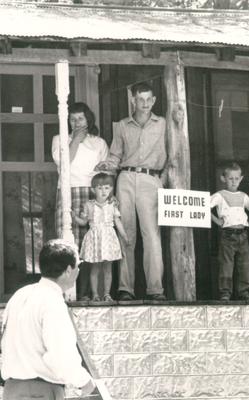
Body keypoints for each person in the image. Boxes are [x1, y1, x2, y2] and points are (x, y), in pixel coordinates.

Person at [95, 82, 167, 301]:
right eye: (140, 99)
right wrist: (106, 165)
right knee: (126, 234)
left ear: (153, 100)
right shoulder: (123, 126)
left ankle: (156, 289)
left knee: (152, 235)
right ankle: (126, 288)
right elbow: (116, 155)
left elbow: (173, 155)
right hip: (125, 178)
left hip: (150, 179)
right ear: (133, 101)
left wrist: (162, 182)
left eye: (148, 99)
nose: (144, 104)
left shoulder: (163, 124)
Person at [1, 239, 95, 399]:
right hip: (40, 392)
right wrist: (84, 381)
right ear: (68, 270)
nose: (78, 271)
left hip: (11, 390)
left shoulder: (19, 295)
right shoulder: (52, 302)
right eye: (77, 266)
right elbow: (60, 353)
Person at [52, 102, 108, 300]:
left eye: (80, 119)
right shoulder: (60, 139)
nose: (76, 123)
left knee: (89, 245)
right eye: (72, 119)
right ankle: (67, 293)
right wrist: (75, 140)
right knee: (68, 245)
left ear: (88, 119)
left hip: (91, 193)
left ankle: (85, 293)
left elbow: (104, 174)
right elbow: (64, 163)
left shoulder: (99, 143)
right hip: (67, 192)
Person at [74, 173, 129, 302]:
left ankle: (107, 294)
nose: (104, 191)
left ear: (111, 189)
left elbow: (117, 221)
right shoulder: (89, 205)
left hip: (109, 238)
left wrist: (125, 236)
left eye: (107, 188)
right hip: (95, 238)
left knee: (108, 268)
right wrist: (74, 217)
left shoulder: (112, 204)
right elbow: (83, 222)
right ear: (93, 190)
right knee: (95, 268)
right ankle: (95, 294)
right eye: (100, 188)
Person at [210, 162, 249, 301]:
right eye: (230, 178)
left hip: (243, 234)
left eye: (237, 178)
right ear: (223, 178)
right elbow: (204, 207)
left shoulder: (244, 196)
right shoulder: (219, 195)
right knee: (226, 265)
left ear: (241, 179)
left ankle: (244, 291)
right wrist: (217, 221)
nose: (234, 181)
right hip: (228, 234)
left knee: (244, 265)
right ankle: (225, 292)